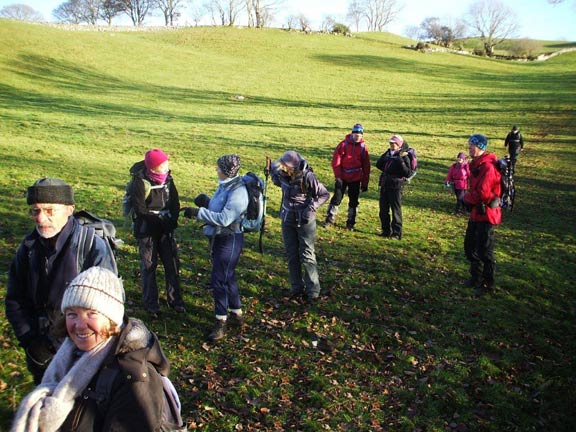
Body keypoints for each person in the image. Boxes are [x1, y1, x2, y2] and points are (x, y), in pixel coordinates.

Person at [10, 266, 179, 432]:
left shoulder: (133, 377)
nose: (80, 325)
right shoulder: (68, 355)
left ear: (112, 319)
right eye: (72, 314)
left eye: (91, 313)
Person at [5, 178, 117, 385]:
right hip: (37, 350)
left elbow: (104, 308)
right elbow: (15, 298)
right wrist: (30, 341)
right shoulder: (28, 248)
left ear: (69, 209)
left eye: (49, 210)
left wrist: (53, 344)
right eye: (35, 211)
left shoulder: (92, 246)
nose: (40, 218)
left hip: (82, 351)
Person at [182, 155, 249, 342]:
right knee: (228, 277)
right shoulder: (226, 184)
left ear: (227, 170)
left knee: (219, 279)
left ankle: (221, 321)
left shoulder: (238, 191)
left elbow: (225, 218)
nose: (216, 170)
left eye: (218, 167)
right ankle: (237, 315)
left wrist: (199, 213)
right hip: (220, 237)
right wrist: (207, 202)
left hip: (230, 238)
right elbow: (220, 208)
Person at [131, 148, 185, 319]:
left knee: (172, 265)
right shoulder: (139, 182)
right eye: (162, 164)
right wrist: (158, 221)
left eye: (167, 163)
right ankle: (151, 304)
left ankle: (176, 301)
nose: (166, 166)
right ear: (153, 168)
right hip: (147, 230)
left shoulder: (169, 179)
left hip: (166, 230)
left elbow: (175, 202)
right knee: (149, 266)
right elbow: (139, 209)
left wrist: (172, 221)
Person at [271, 150, 330, 304]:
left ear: (294, 166)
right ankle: (296, 288)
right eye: (281, 164)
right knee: (292, 255)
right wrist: (271, 173)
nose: (282, 167)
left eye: (285, 165)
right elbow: (278, 182)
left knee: (307, 255)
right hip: (287, 219)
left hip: (305, 221)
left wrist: (311, 208)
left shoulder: (307, 177)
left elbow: (324, 194)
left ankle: (313, 292)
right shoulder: (282, 174)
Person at [463, 134, 502, 295]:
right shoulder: (476, 165)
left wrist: (465, 198)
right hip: (476, 213)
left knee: (485, 250)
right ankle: (475, 277)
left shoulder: (487, 167)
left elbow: (484, 194)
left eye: (472, 145)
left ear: (481, 147)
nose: (469, 148)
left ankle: (487, 283)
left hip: (487, 215)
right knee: (470, 246)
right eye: (469, 145)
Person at [324, 123, 371, 230]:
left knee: (353, 201)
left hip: (355, 178)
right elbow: (336, 162)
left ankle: (351, 222)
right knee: (337, 198)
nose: (357, 136)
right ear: (352, 133)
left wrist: (364, 183)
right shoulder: (343, 145)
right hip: (342, 177)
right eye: (356, 134)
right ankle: (330, 219)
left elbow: (366, 166)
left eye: (360, 135)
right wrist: (338, 177)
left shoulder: (363, 148)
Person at [376, 135, 412, 239]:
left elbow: (408, 173)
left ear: (399, 144)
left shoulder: (404, 156)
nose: (391, 145)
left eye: (394, 143)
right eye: (390, 143)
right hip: (385, 185)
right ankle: (386, 231)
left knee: (395, 210)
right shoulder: (388, 153)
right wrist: (385, 157)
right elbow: (378, 165)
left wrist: (400, 160)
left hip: (396, 187)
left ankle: (396, 233)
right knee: (383, 210)